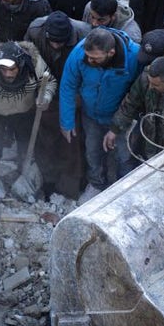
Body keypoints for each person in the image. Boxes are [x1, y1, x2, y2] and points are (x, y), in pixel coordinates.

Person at [0, 42, 55, 221]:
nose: (8, 74)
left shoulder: (35, 64)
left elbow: (50, 82)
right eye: (3, 70)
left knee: (27, 148)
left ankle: (28, 181)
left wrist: (46, 97)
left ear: (21, 64)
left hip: (24, 112)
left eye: (13, 69)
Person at [60, 28, 141, 202]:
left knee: (124, 154)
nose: (89, 60)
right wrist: (66, 121)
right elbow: (68, 85)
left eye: (95, 58)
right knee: (92, 150)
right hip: (91, 115)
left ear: (111, 53)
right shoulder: (80, 53)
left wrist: (122, 122)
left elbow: (138, 91)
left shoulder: (133, 56)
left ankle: (125, 190)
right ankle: (96, 184)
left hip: (120, 116)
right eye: (88, 56)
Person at [24, 11, 90, 198]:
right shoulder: (36, 30)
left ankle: (70, 185)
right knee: (44, 138)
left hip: (72, 95)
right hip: (44, 91)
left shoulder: (84, 36)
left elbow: (92, 71)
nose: (55, 46)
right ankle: (47, 178)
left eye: (60, 43)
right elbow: (28, 61)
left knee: (71, 138)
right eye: (52, 41)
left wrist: (75, 100)